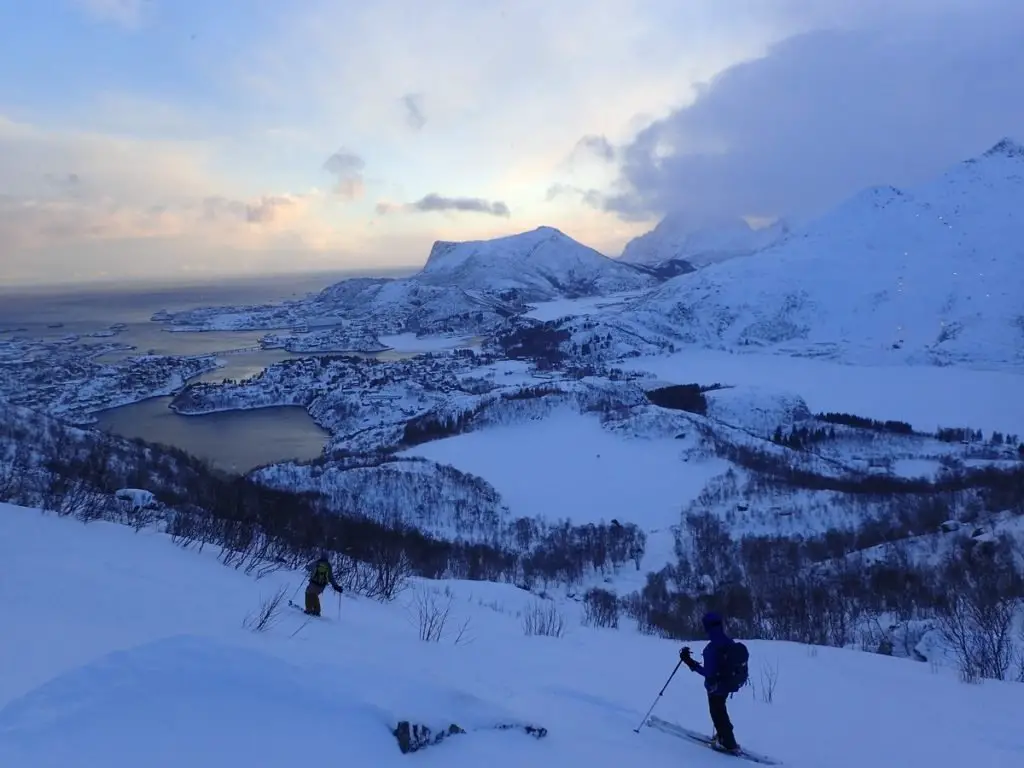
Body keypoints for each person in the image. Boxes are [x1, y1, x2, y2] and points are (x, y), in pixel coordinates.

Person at [679, 611, 740, 753]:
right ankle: (723, 736)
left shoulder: (712, 648)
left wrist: (690, 663)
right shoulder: (728, 642)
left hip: (715, 688)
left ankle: (728, 743)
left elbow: (708, 673)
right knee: (720, 711)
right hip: (726, 685)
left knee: (717, 713)